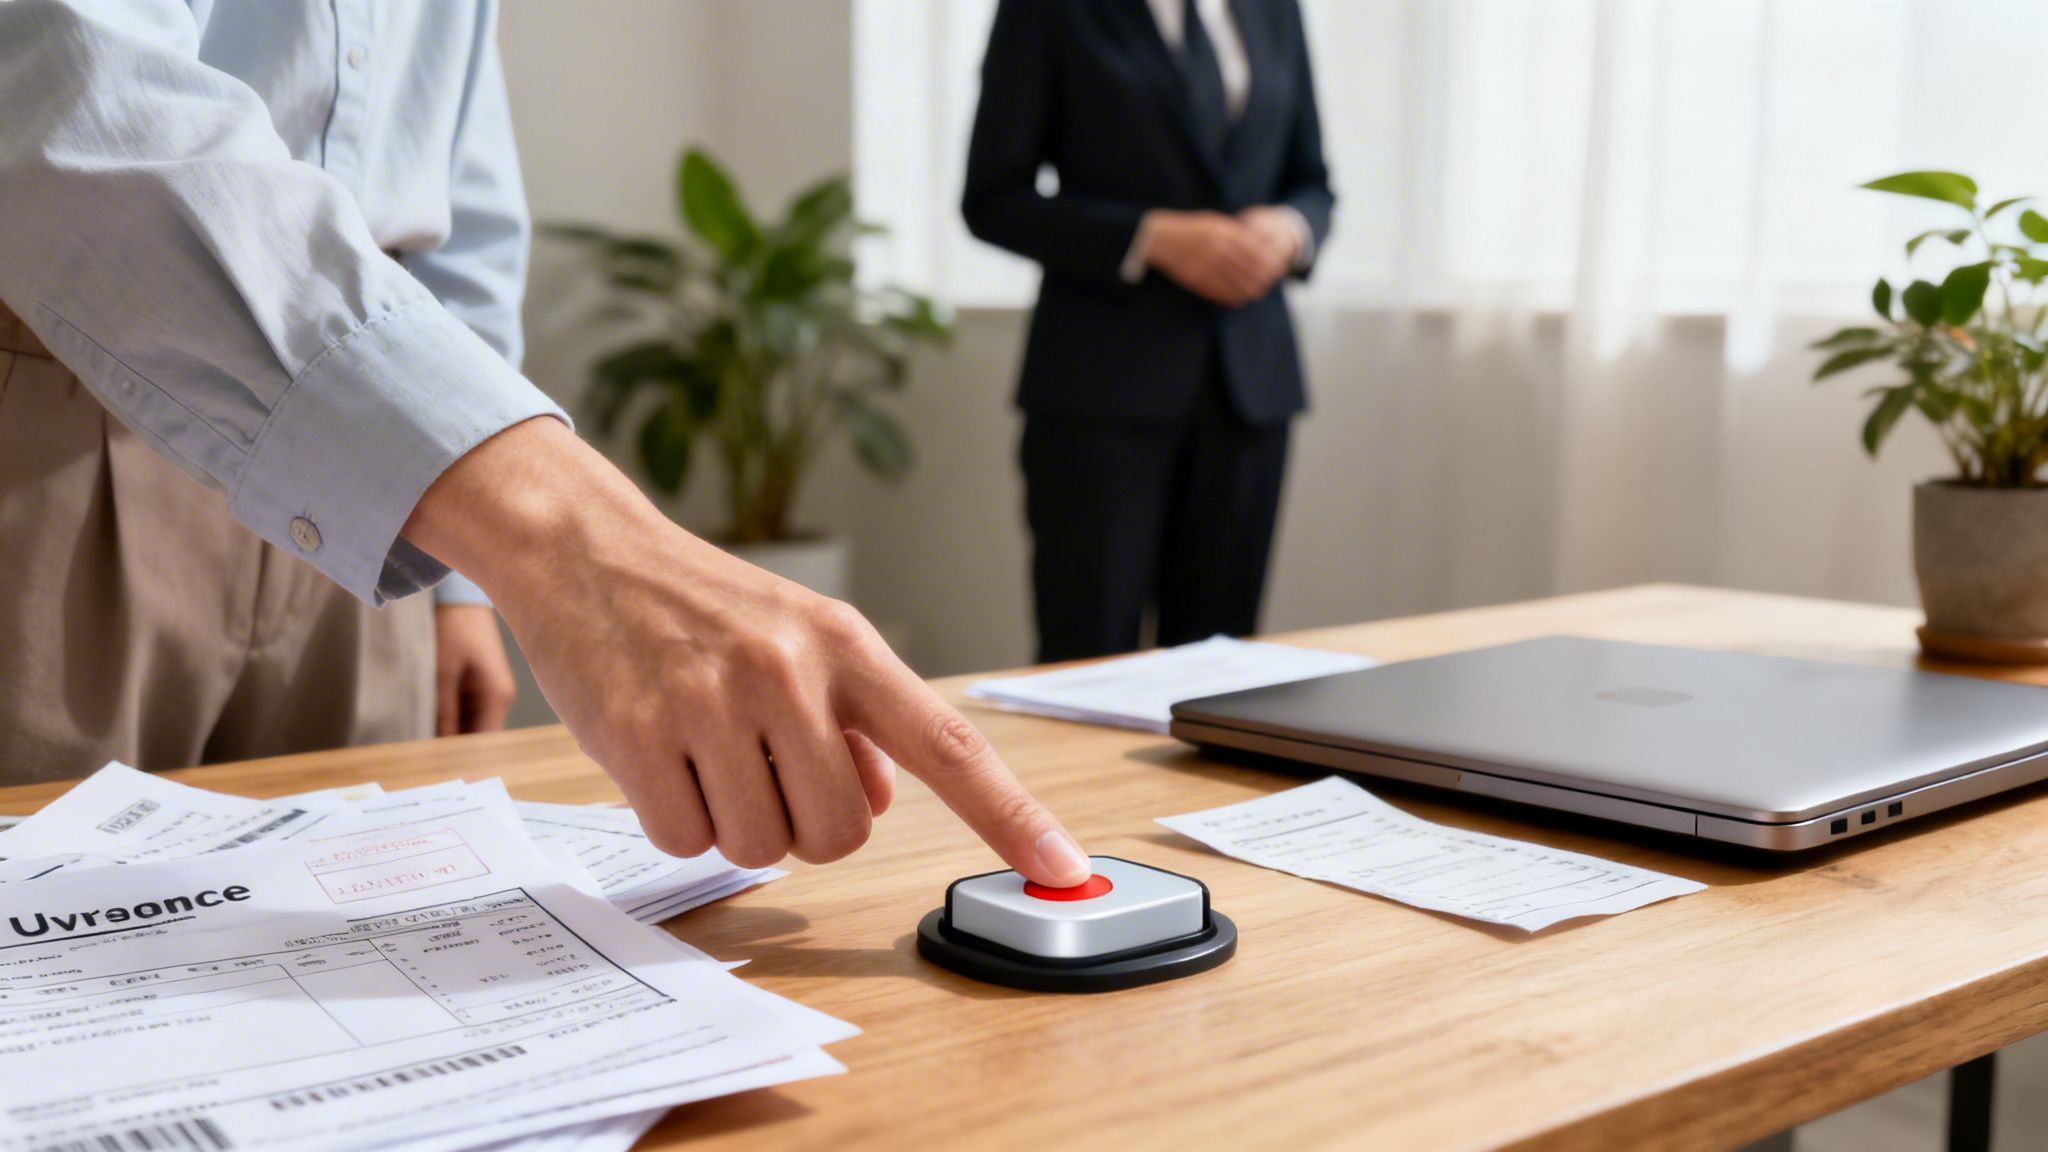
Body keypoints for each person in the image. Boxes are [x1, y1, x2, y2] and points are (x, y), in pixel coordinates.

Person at [0, 0, 1089, 889]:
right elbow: (66, 87)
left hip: (384, 511)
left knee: (350, 942)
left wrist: (467, 583)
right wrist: (568, 537)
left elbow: (463, 217)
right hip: (61, 414)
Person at [963, 0, 1334, 663]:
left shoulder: (1275, 9)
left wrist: (1290, 231)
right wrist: (1151, 237)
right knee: (1086, 655)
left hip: (1249, 384)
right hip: (1099, 387)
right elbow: (992, 198)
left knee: (1223, 666)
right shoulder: (1047, 11)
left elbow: (1312, 181)